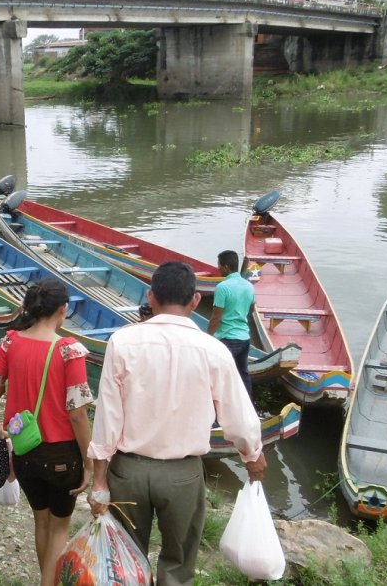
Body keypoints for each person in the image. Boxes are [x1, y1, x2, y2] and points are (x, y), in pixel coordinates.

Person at [87, 262, 266, 586]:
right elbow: (238, 419)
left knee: (126, 559)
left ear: (150, 297)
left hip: (129, 472)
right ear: (195, 300)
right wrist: (252, 455)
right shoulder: (214, 351)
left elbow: (108, 418)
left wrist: (99, 481)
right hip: (183, 475)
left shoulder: (122, 343)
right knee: (179, 563)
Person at [0, 280, 94, 586]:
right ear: (62, 310)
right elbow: (78, 412)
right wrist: (89, 462)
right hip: (61, 454)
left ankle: (46, 580)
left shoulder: (10, 342)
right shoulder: (69, 350)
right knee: (59, 527)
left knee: (41, 521)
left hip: (23, 451)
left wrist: (1, 432)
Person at [207, 249, 255, 396]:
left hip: (228, 338)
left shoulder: (223, 287)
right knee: (243, 374)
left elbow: (216, 317)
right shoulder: (249, 285)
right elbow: (251, 310)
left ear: (226, 267)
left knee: (218, 375)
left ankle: (219, 410)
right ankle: (248, 407)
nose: (218, 268)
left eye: (219, 265)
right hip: (245, 338)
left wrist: (207, 337)